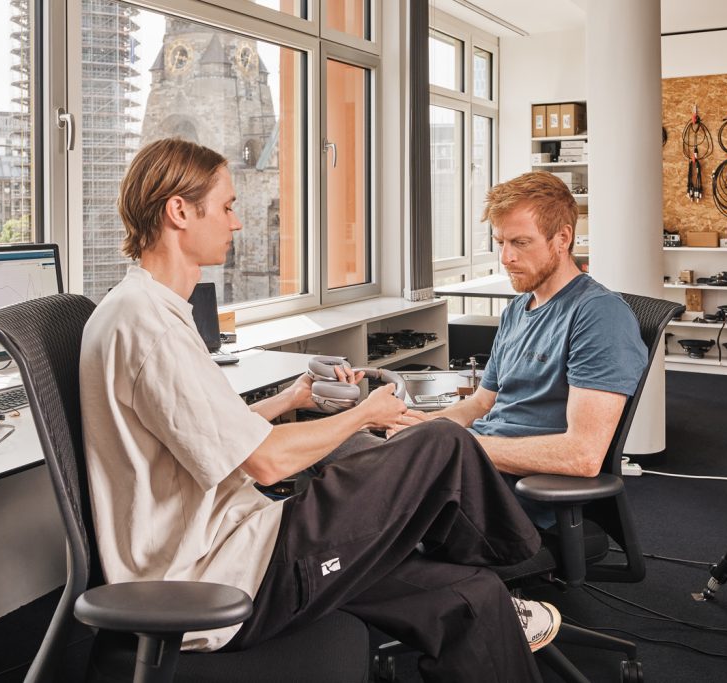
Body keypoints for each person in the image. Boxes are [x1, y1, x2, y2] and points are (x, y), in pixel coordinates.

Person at [79, 138, 559, 682]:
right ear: (180, 211)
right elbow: (264, 464)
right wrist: (364, 414)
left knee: (472, 597)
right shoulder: (152, 327)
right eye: (229, 206)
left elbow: (209, 437)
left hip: (238, 537)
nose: (237, 224)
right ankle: (526, 561)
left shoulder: (145, 309)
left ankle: (489, 578)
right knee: (439, 444)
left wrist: (294, 399)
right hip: (229, 579)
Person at [392, 171, 647, 528]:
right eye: (500, 242)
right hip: (476, 469)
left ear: (562, 238)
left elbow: (584, 455)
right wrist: (422, 428)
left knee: (360, 500)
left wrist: (453, 447)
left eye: (520, 243)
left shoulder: (599, 315)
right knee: (352, 455)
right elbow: (481, 404)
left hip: (513, 498)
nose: (505, 258)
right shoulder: (517, 309)